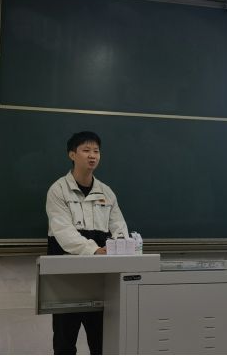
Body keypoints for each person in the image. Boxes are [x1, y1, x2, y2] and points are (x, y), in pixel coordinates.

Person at [46, 131, 129, 354]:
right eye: (86, 150)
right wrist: (95, 250)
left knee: (102, 343)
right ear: (72, 154)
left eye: (96, 151)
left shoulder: (106, 192)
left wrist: (121, 247)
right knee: (64, 344)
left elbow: (119, 228)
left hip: (101, 282)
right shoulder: (58, 190)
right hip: (67, 282)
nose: (92, 155)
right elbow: (64, 233)